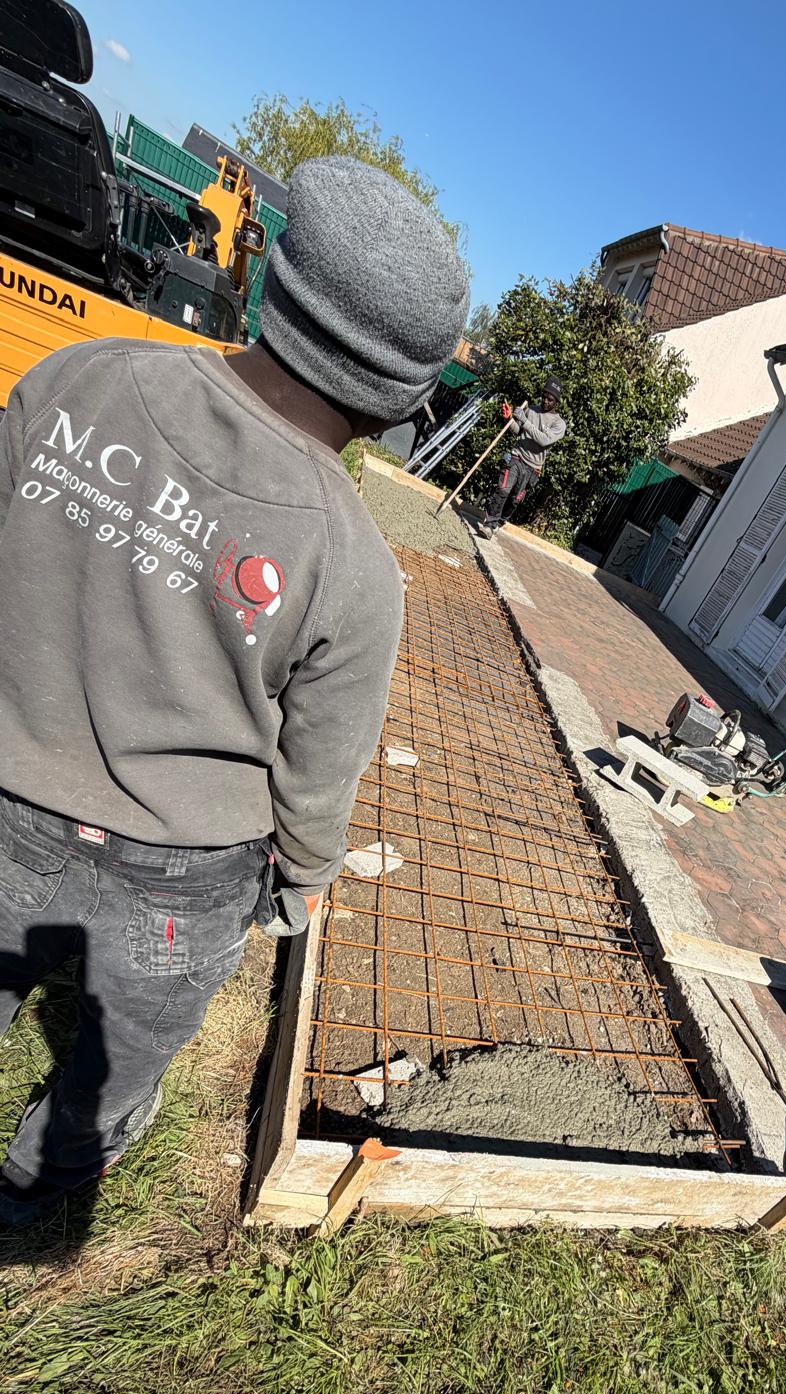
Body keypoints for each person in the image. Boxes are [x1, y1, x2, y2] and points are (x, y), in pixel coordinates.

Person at [0, 156, 468, 1227]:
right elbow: (318, 774)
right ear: (400, 400)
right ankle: (36, 1190)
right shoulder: (353, 565)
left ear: (274, 289)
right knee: (113, 1069)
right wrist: (302, 882)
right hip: (183, 876)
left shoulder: (81, 378)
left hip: (8, 781)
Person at [479, 378, 567, 534]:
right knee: (503, 490)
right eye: (544, 397)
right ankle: (490, 524)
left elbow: (544, 440)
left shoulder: (559, 424)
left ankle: (500, 521)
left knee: (514, 500)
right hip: (517, 457)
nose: (546, 401)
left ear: (556, 402)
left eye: (550, 399)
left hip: (533, 468)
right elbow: (518, 431)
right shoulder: (531, 409)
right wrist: (509, 419)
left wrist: (524, 420)